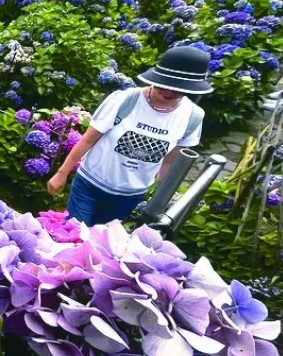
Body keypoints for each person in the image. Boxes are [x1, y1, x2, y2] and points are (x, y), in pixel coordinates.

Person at [47, 45, 211, 226]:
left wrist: (159, 197)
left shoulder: (193, 117)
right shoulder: (124, 100)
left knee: (102, 241)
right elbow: (88, 139)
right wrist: (61, 173)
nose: (169, 93)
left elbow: (169, 160)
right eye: (164, 86)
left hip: (130, 195)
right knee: (75, 233)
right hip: (90, 184)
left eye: (178, 90)